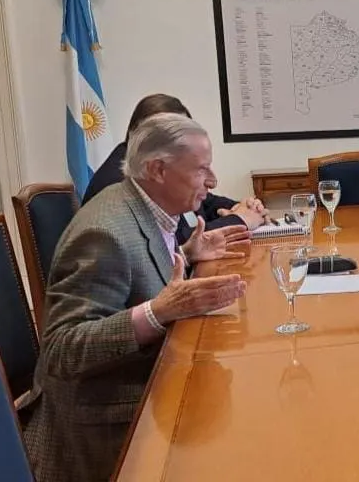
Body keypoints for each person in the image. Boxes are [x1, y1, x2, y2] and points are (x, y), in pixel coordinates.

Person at [24, 113, 249, 482]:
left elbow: (132, 273)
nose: (212, 181)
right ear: (158, 170)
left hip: (141, 386)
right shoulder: (104, 233)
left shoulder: (140, 206)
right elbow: (62, 349)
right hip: (103, 424)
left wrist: (187, 254)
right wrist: (157, 313)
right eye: (201, 169)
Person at [83, 93, 268, 242]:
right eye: (176, 133)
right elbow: (171, 242)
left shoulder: (157, 165)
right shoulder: (123, 182)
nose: (212, 181)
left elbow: (205, 202)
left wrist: (241, 208)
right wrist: (239, 220)